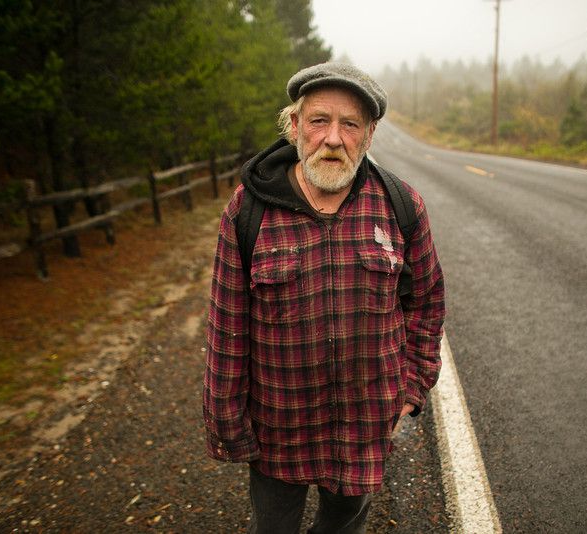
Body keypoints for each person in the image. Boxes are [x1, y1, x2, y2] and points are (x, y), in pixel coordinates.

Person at [202, 62, 446, 534]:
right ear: (294, 125)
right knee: (272, 527)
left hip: (364, 426)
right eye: (319, 121)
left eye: (350, 124)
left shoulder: (401, 206)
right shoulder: (248, 210)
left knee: (344, 527)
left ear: (369, 135)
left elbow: (428, 304)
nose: (333, 139)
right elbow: (227, 327)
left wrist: (413, 389)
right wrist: (227, 422)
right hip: (279, 427)